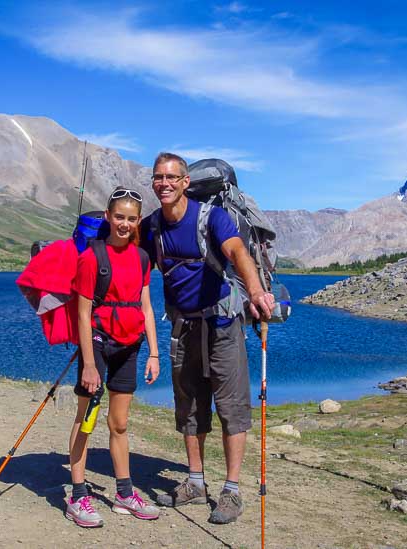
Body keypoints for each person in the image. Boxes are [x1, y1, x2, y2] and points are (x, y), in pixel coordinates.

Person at [140, 152, 274, 525]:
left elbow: (236, 251)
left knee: (231, 407)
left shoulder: (210, 217)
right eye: (158, 178)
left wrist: (257, 290)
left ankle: (231, 491)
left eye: (171, 178)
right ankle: (196, 483)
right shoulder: (152, 226)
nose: (163, 184)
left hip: (222, 325)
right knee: (189, 407)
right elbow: (130, 261)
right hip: (183, 326)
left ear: (185, 182)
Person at [66, 187, 162, 528]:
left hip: (129, 346)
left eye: (131, 219)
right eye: (118, 217)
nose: (124, 224)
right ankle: (77, 495)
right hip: (99, 344)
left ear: (138, 222)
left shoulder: (141, 258)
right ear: (108, 217)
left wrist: (154, 351)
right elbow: (82, 313)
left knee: (119, 423)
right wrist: (89, 364)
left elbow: (146, 307)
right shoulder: (92, 257)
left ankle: (124, 494)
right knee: (86, 418)